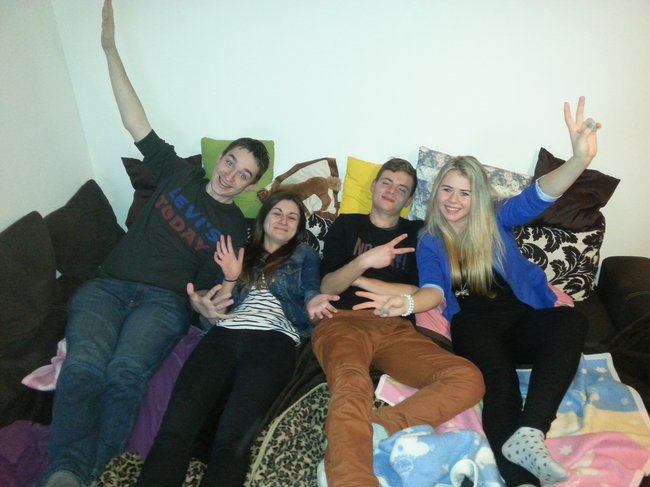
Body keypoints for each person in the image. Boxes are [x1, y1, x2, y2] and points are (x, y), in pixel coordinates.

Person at [38, 1, 270, 486]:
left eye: (244, 175)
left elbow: (212, 293)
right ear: (220, 159)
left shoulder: (235, 229)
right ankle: (65, 472)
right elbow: (134, 119)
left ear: (250, 187)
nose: (231, 175)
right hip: (108, 286)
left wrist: (204, 306)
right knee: (84, 366)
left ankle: (97, 474)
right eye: (230, 162)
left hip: (164, 303)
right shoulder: (176, 172)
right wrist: (110, 49)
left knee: (125, 373)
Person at [363, 97, 599, 486]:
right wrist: (405, 302)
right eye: (447, 190)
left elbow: (538, 196)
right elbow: (433, 291)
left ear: (478, 197)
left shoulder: (495, 217)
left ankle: (531, 431)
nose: (453, 200)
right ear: (435, 193)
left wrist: (578, 160)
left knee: (572, 321)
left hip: (521, 318)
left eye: (465, 192)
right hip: (474, 325)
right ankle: (520, 480)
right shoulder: (430, 239)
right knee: (500, 384)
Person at [135, 190, 339, 487]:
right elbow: (216, 307)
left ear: (298, 228)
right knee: (176, 426)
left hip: (273, 341)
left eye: (292, 217)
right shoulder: (238, 253)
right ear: (263, 218)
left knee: (233, 437)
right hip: (224, 335)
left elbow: (310, 291)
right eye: (277, 213)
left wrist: (313, 304)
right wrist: (228, 280)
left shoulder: (304, 254)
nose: (283, 220)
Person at [313, 157, 485, 487]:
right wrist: (367, 260)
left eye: (402, 189)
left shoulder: (419, 233)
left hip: (395, 327)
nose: (392, 191)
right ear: (374, 186)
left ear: (409, 200)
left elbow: (421, 291)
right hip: (342, 322)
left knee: (468, 377)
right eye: (387, 182)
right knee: (352, 387)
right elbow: (328, 286)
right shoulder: (347, 224)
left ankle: (379, 427)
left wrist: (359, 279)